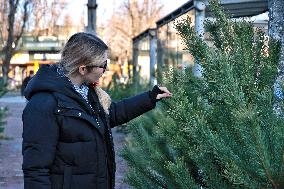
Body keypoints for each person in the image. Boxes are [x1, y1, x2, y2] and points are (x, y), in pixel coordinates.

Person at [22, 32, 172, 189]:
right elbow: (36, 170)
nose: (105, 70)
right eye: (103, 65)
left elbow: (111, 114)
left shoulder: (87, 93)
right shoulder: (44, 104)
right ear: (82, 69)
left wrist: (150, 97)